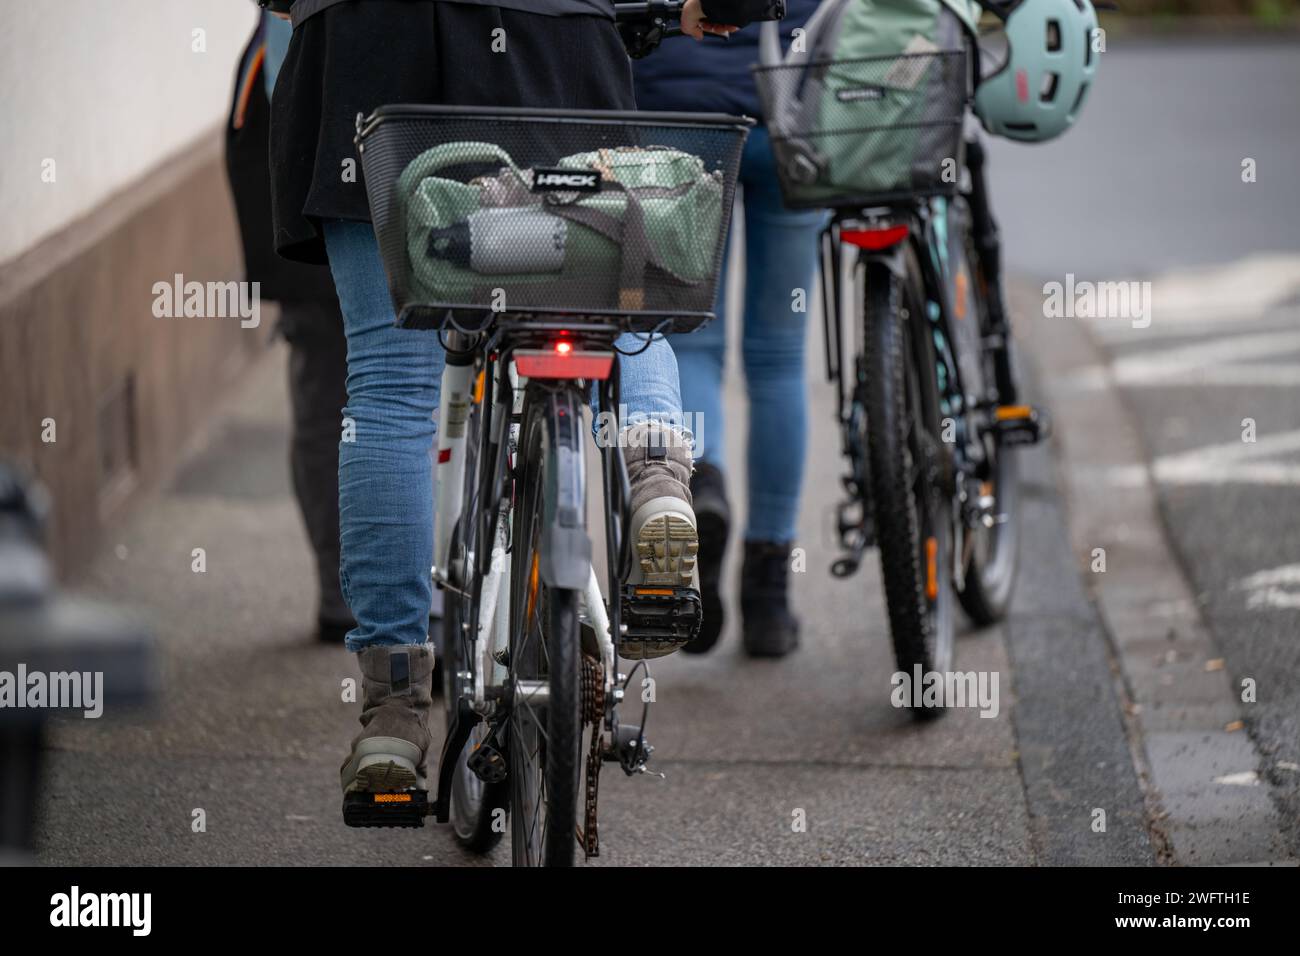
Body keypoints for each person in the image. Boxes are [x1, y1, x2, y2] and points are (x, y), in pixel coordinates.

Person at [265, 0, 775, 801]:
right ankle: (655, 474)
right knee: (624, 303)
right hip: (556, 42)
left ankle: (395, 714)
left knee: (392, 389)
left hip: (375, 54)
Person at [633, 0, 824, 658]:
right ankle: (769, 597)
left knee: (692, 340)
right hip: (792, 96)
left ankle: (700, 487)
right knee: (778, 359)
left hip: (677, 105)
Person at [225, 11, 353, 644]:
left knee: (328, 386)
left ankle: (344, 593)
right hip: (359, 115)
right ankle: (408, 598)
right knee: (416, 387)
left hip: (298, 110)